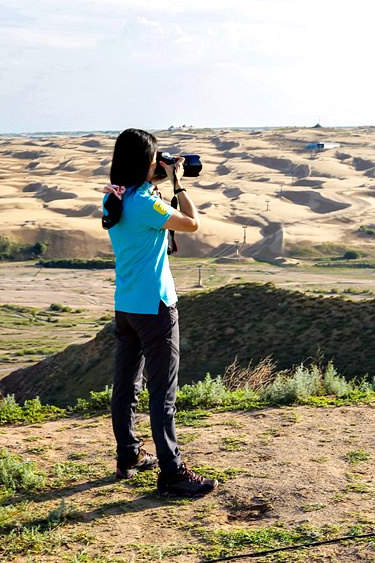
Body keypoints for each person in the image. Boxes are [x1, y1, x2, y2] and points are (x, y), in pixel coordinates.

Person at [101, 128, 217, 499]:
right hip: (156, 306)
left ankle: (129, 455)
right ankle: (172, 473)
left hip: (126, 306)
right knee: (162, 393)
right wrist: (179, 184)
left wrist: (156, 176)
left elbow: (138, 197)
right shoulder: (146, 205)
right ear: (145, 163)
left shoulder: (114, 200)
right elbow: (192, 223)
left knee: (126, 386)